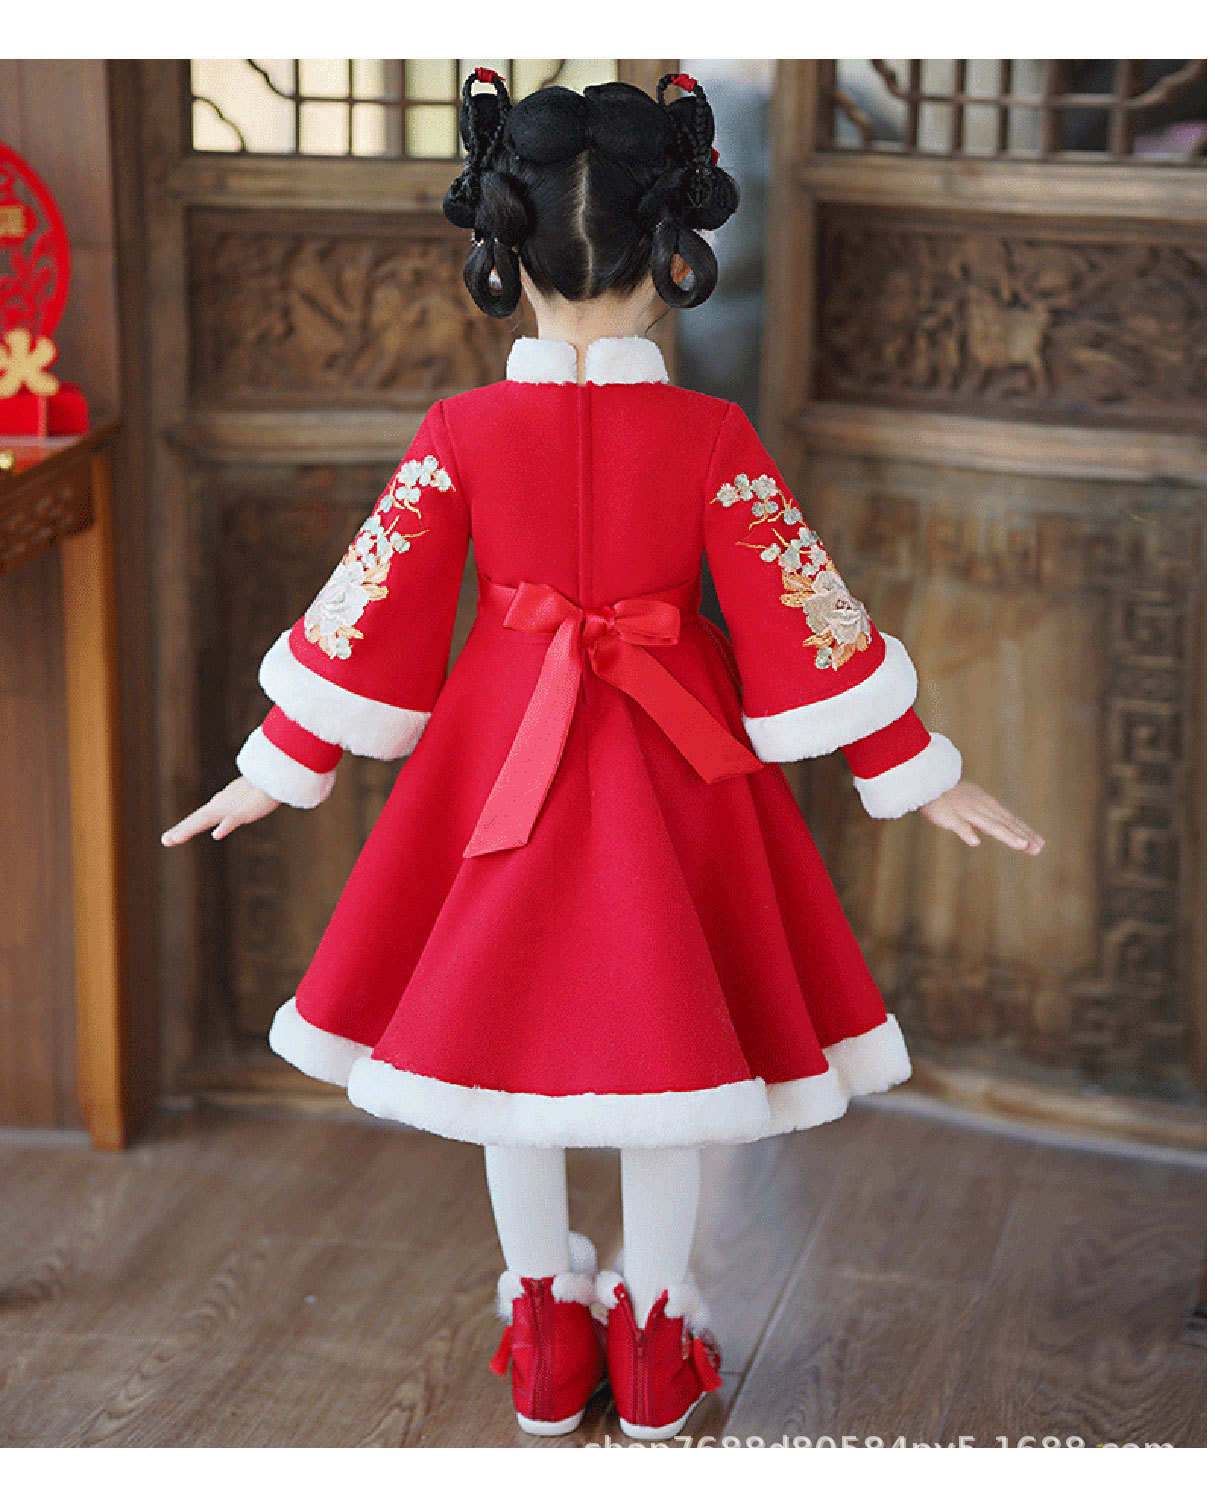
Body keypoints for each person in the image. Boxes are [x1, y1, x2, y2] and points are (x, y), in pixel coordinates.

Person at [163, 69, 1044, 1442]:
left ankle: (543, 1336)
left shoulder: (461, 432)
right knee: (668, 1063)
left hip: (497, 763)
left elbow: (373, 604)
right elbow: (800, 607)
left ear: (505, 257)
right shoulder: (709, 435)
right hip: (673, 768)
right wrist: (916, 763)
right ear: (672, 254)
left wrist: (278, 762)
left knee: (498, 1056)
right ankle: (653, 1342)